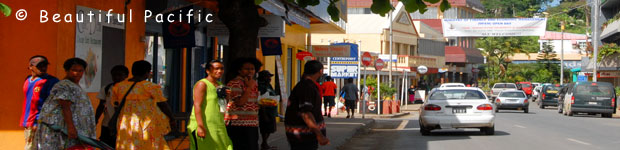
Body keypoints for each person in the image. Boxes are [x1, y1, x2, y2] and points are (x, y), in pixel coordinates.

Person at [111, 60, 175, 150]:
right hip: (146, 124)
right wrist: (172, 119)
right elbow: (163, 105)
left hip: (125, 124)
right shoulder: (150, 87)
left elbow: (116, 106)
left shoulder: (119, 87)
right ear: (146, 73)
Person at [35, 58, 96, 149]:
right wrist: (70, 127)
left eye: (80, 71)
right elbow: (65, 106)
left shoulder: (75, 85)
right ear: (66, 70)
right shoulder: (64, 85)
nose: (77, 73)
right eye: (74, 70)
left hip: (73, 130)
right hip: (62, 130)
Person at [187, 60, 233, 150]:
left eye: (221, 69)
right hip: (204, 124)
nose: (219, 71)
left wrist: (227, 96)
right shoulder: (202, 84)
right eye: (216, 69)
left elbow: (222, 104)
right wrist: (200, 126)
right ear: (208, 71)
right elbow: (197, 105)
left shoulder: (220, 85)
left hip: (218, 125)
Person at [285, 60, 330, 150]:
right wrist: (319, 134)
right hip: (303, 136)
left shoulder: (306, 85)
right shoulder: (307, 87)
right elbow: (306, 114)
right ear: (320, 71)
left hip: (304, 135)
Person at [21, 55, 59, 150]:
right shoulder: (28, 79)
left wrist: (39, 121)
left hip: (41, 122)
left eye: (45, 65)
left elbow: (52, 103)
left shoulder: (51, 81)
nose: (43, 68)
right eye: (39, 66)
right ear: (30, 66)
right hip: (28, 121)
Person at [225, 57, 262, 150]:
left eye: (252, 69)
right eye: (246, 69)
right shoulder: (234, 83)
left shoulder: (253, 83)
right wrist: (249, 88)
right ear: (239, 70)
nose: (250, 71)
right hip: (238, 124)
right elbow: (240, 102)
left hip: (252, 123)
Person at [94, 65, 129, 147]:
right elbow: (101, 105)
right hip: (107, 124)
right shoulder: (107, 88)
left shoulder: (130, 90)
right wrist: (96, 119)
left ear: (126, 76)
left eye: (120, 75)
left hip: (124, 125)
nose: (117, 77)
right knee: (106, 145)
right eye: (114, 75)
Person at [257, 70, 277, 150]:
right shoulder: (260, 86)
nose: (269, 78)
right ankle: (264, 144)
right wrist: (264, 114)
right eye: (267, 77)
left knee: (271, 128)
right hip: (265, 111)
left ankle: (265, 143)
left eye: (269, 77)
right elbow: (261, 100)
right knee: (265, 128)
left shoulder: (269, 85)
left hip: (271, 110)